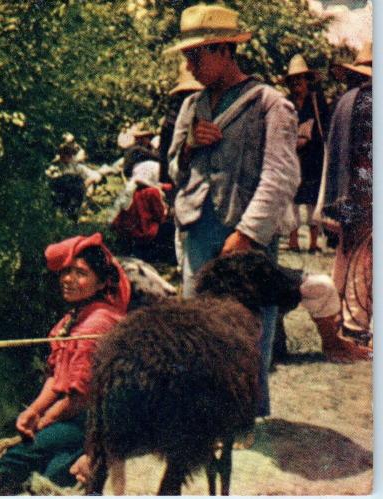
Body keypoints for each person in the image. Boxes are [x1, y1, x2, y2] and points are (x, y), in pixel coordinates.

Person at [165, 4, 299, 417]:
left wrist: (247, 234)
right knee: (197, 323)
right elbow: (173, 168)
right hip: (198, 226)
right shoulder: (192, 107)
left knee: (248, 325)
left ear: (225, 50)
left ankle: (245, 413)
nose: (190, 65)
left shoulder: (271, 105)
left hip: (246, 233)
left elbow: (281, 178)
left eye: (197, 55)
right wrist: (189, 146)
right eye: (187, 56)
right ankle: (203, 411)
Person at [0, 233, 130, 495]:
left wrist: (42, 422)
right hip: (78, 418)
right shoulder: (74, 319)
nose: (68, 279)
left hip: (96, 420)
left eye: (80, 273)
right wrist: (34, 411)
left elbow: (81, 397)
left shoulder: (98, 323)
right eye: (66, 271)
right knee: (45, 467)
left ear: (101, 282)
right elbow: (58, 379)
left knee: (20, 456)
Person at [315, 45, 373, 351]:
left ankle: (342, 318)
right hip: (365, 194)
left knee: (348, 256)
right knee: (366, 259)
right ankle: (355, 326)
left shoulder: (345, 101)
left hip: (344, 193)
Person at [284, 55, 330, 253]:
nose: (297, 84)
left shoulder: (317, 102)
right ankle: (293, 240)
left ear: (307, 80)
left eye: (300, 79)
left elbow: (326, 128)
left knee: (312, 201)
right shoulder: (286, 104)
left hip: (313, 159)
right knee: (291, 200)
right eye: (293, 81)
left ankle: (313, 243)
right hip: (292, 158)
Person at [46, 134, 101, 220]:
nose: (67, 157)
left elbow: (95, 175)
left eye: (69, 155)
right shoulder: (55, 166)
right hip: (62, 192)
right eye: (63, 155)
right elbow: (50, 178)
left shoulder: (75, 166)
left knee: (81, 184)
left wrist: (87, 183)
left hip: (76, 191)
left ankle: (75, 213)